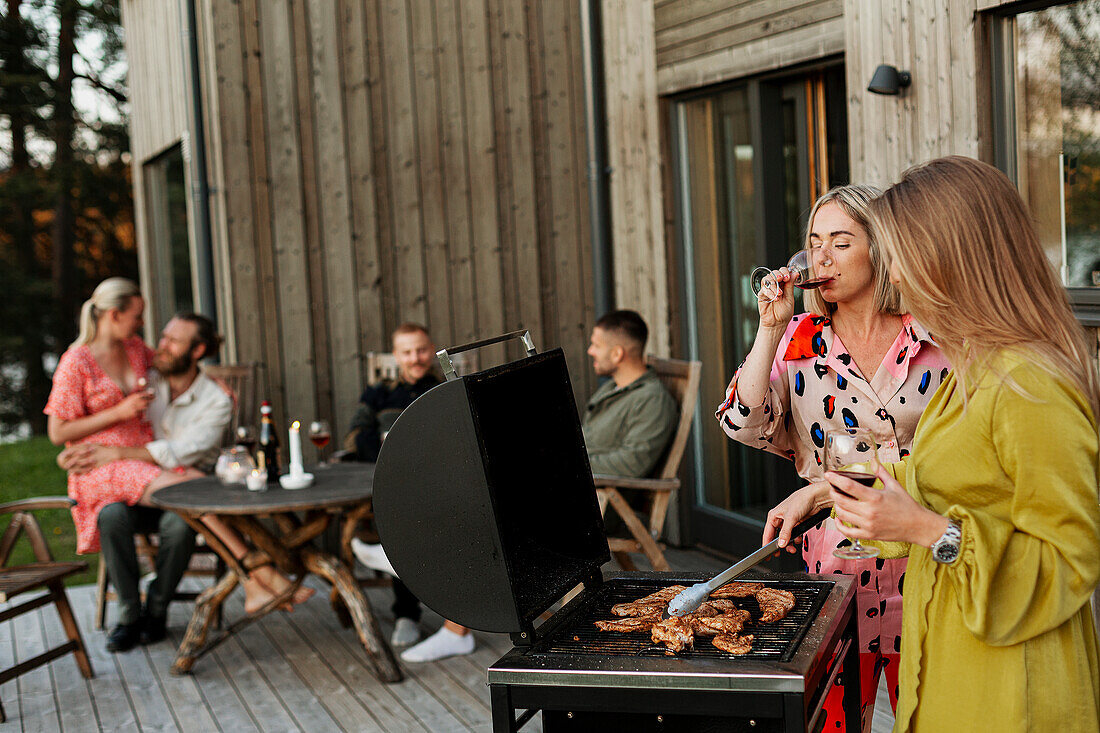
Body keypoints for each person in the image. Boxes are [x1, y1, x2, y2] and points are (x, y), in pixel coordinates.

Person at [823, 156, 1099, 732]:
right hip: (951, 653)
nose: (892, 277)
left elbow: (1071, 557)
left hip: (1008, 685)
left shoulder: (1028, 382)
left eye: (898, 258)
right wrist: (860, 504)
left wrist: (928, 530)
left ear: (950, 259)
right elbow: (968, 488)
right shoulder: (971, 366)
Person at [715, 185, 949, 729]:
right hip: (840, 575)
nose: (821, 257)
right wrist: (769, 329)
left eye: (841, 242)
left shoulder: (935, 336)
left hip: (928, 566)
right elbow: (740, 422)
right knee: (837, 724)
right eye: (814, 242)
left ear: (881, 248)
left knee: (937, 719)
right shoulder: (798, 341)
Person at [355, 310, 678, 663]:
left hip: (601, 509)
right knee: (479, 494)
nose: (589, 351)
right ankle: (410, 562)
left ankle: (432, 599)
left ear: (618, 354)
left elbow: (631, 464)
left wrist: (558, 464)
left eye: (595, 344)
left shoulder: (650, 400)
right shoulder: (614, 392)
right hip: (577, 495)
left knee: (485, 516)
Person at [47, 284, 308, 650]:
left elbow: (181, 369)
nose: (147, 329)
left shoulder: (137, 351)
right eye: (138, 315)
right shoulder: (77, 361)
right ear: (114, 314)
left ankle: (169, 605)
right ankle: (252, 574)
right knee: (177, 494)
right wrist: (113, 419)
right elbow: (57, 431)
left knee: (188, 501)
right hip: (102, 467)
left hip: (137, 463)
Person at [347, 323, 442, 650]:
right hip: (389, 479)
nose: (415, 358)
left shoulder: (446, 387)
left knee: (408, 517)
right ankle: (406, 614)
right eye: (407, 352)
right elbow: (357, 435)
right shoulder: (379, 393)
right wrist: (390, 460)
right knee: (398, 513)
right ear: (396, 355)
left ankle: (394, 566)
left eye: (421, 350)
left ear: (431, 349)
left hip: (438, 479)